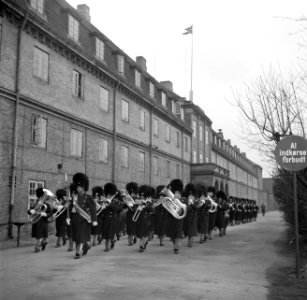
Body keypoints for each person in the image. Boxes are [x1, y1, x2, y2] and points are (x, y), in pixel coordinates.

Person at [69, 173, 97, 259]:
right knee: (77, 237)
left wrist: (94, 220)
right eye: (77, 187)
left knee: (81, 236)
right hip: (75, 220)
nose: (78, 188)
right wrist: (68, 216)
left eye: (79, 187)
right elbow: (70, 208)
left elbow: (93, 209)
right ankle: (86, 246)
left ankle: (78, 253)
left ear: (84, 187)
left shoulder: (88, 197)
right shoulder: (74, 197)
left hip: (84, 220)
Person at [28, 187, 53, 253]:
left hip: (43, 222)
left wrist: (43, 214)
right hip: (36, 222)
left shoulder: (47, 205)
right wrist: (31, 211)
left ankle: (37, 248)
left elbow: (50, 214)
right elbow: (29, 211)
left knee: (40, 236)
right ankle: (43, 242)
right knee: (38, 236)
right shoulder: (35, 204)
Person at [165, 179, 186, 254]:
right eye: (175, 193)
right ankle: (175, 244)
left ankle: (176, 248)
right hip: (172, 219)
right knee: (173, 235)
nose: (177, 194)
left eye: (178, 193)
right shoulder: (170, 200)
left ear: (180, 194)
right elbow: (166, 208)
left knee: (178, 234)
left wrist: (184, 206)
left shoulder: (183, 200)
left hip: (179, 220)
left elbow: (188, 208)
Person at [101, 182, 123, 252]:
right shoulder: (104, 201)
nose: (108, 196)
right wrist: (102, 207)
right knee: (106, 233)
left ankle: (107, 247)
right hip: (105, 219)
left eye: (109, 195)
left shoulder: (115, 201)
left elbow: (119, 208)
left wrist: (110, 204)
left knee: (110, 233)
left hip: (113, 219)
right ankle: (111, 241)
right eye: (107, 195)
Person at [134, 185, 154, 252]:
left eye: (143, 196)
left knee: (144, 234)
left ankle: (141, 246)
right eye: (141, 195)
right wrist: (137, 207)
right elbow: (133, 207)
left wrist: (145, 206)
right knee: (140, 233)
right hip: (139, 219)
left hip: (146, 219)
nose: (142, 196)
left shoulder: (149, 201)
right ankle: (143, 243)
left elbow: (152, 209)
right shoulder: (138, 200)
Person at [183, 183, 198, 247]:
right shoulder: (185, 201)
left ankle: (190, 243)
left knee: (191, 230)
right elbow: (185, 208)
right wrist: (189, 204)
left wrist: (192, 203)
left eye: (192, 195)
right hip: (187, 217)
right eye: (189, 195)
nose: (191, 196)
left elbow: (196, 207)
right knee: (187, 229)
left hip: (193, 217)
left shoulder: (196, 201)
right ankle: (187, 237)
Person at [124, 182, 139, 246]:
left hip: (135, 213)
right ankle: (130, 241)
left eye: (133, 191)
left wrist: (134, 205)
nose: (132, 193)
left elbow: (139, 205)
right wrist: (125, 203)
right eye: (131, 191)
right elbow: (124, 207)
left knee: (135, 227)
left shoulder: (137, 198)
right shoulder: (127, 197)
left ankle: (135, 237)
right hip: (129, 214)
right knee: (129, 227)